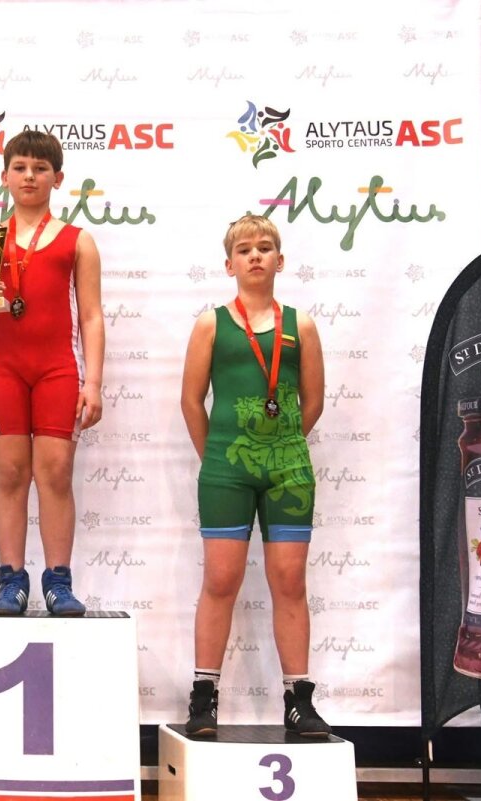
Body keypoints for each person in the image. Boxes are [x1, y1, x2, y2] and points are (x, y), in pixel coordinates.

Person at [179, 214, 329, 737]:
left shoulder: (301, 325)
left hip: (288, 468)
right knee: (221, 580)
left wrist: (280, 445)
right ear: (230, 264)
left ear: (280, 260)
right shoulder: (211, 324)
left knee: (290, 581)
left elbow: (313, 401)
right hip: (227, 467)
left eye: (265, 248)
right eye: (244, 250)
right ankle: (204, 698)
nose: (255, 256)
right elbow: (191, 401)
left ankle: (299, 700)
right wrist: (218, 457)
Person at [0, 130, 104, 617]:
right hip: (2, 370)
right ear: (4, 176)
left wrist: (94, 383)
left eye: (40, 169)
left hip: (59, 369)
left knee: (55, 473)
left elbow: (92, 316)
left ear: (57, 179)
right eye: (20, 167)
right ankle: (11, 581)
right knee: (10, 473)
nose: (29, 176)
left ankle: (58, 581)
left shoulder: (77, 241)